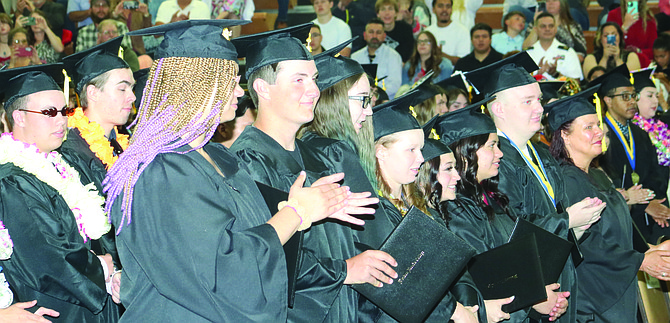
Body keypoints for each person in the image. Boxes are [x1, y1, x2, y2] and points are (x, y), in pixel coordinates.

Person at [104, 19, 362, 322]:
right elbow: (223, 268)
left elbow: (253, 233)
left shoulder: (217, 156)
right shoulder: (163, 170)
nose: (239, 93)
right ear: (201, 86)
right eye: (231, 81)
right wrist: (295, 213)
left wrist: (309, 209)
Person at [231, 24, 389, 322]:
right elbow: (262, 258)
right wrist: (346, 269)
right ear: (263, 88)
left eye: (314, 79)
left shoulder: (318, 157)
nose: (314, 90)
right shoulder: (248, 161)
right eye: (299, 80)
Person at [465, 52, 608, 323]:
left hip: (557, 279)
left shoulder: (541, 154)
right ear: (499, 108)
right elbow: (509, 229)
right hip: (527, 292)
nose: (540, 109)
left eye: (539, 100)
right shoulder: (496, 163)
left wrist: (575, 227)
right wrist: (566, 220)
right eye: (527, 101)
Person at [0, 63, 120, 322]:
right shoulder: (12, 181)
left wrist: (117, 268)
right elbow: (46, 256)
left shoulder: (65, 164)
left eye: (64, 110)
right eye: (49, 112)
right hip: (55, 308)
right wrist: (102, 268)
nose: (61, 120)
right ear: (19, 117)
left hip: (93, 300)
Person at [545, 85, 670, 322]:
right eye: (589, 127)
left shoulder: (598, 175)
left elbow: (619, 226)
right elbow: (587, 243)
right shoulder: (566, 182)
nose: (599, 132)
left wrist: (651, 250)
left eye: (598, 125)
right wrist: (640, 261)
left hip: (617, 288)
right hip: (593, 299)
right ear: (565, 135)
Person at [372, 90, 481, 323]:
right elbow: (400, 285)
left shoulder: (422, 207)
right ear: (381, 152)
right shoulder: (373, 213)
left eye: (420, 149)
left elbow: (453, 269)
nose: (421, 159)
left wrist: (471, 305)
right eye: (411, 150)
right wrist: (453, 312)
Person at [59, 36, 134, 267]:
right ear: (92, 93)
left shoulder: (126, 142)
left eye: (132, 88)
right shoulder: (69, 152)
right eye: (122, 88)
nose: (132, 97)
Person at [591, 65, 670, 242]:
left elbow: (654, 174)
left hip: (647, 212)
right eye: (625, 97)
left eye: (634, 96)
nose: (632, 101)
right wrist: (644, 206)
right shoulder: (599, 136)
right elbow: (602, 185)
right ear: (608, 100)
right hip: (618, 215)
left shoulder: (640, 134)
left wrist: (654, 201)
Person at [352, 18, 403, 98]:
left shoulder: (394, 56)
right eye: (371, 32)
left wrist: (375, 96)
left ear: (384, 36)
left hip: (385, 102)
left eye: (378, 33)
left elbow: (394, 85)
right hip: (360, 101)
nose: (374, 36)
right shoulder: (355, 57)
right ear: (364, 35)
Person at [526, 12, 583, 80]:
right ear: (536, 30)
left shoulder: (568, 52)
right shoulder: (527, 54)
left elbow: (576, 84)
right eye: (543, 26)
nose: (547, 29)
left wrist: (556, 74)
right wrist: (537, 75)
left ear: (555, 29)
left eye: (551, 26)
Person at [632, 69, 670, 167]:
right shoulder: (632, 129)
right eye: (650, 96)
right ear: (635, 98)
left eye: (656, 96)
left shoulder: (661, 124)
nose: (655, 101)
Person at [425, 0, 470, 65]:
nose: (444, 10)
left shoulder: (462, 31)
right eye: (440, 6)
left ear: (451, 10)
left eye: (448, 6)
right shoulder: (427, 32)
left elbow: (463, 62)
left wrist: (441, 55)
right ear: (433, 9)